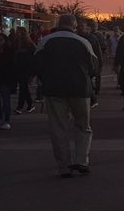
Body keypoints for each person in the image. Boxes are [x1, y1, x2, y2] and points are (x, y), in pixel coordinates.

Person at [32, 13, 98, 176]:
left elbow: (36, 65)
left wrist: (44, 79)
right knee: (83, 125)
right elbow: (94, 67)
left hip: (54, 89)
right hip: (80, 89)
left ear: (58, 24)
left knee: (58, 128)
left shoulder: (45, 41)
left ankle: (64, 165)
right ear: (74, 25)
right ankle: (82, 160)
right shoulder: (84, 42)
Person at [13, 27, 37, 114]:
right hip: (19, 69)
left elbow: (33, 60)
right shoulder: (16, 43)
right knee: (24, 88)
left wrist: (32, 73)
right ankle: (30, 104)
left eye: (18, 32)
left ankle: (20, 107)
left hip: (26, 70)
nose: (17, 34)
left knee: (23, 87)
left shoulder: (29, 45)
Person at [0, 30, 14, 129]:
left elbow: (11, 66)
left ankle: (6, 120)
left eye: (0, 40)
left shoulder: (9, 51)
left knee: (6, 100)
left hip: (5, 79)